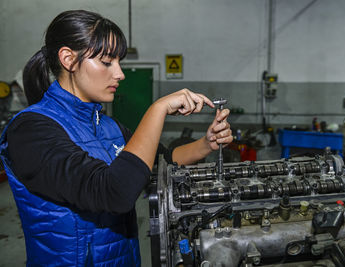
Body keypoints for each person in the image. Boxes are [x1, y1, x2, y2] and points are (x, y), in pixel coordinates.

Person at [0, 10, 233, 267]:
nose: (120, 74)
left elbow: (162, 161)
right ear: (68, 59)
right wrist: (158, 110)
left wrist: (206, 143)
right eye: (107, 62)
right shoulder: (31, 129)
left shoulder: (108, 126)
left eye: (118, 62)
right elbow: (113, 193)